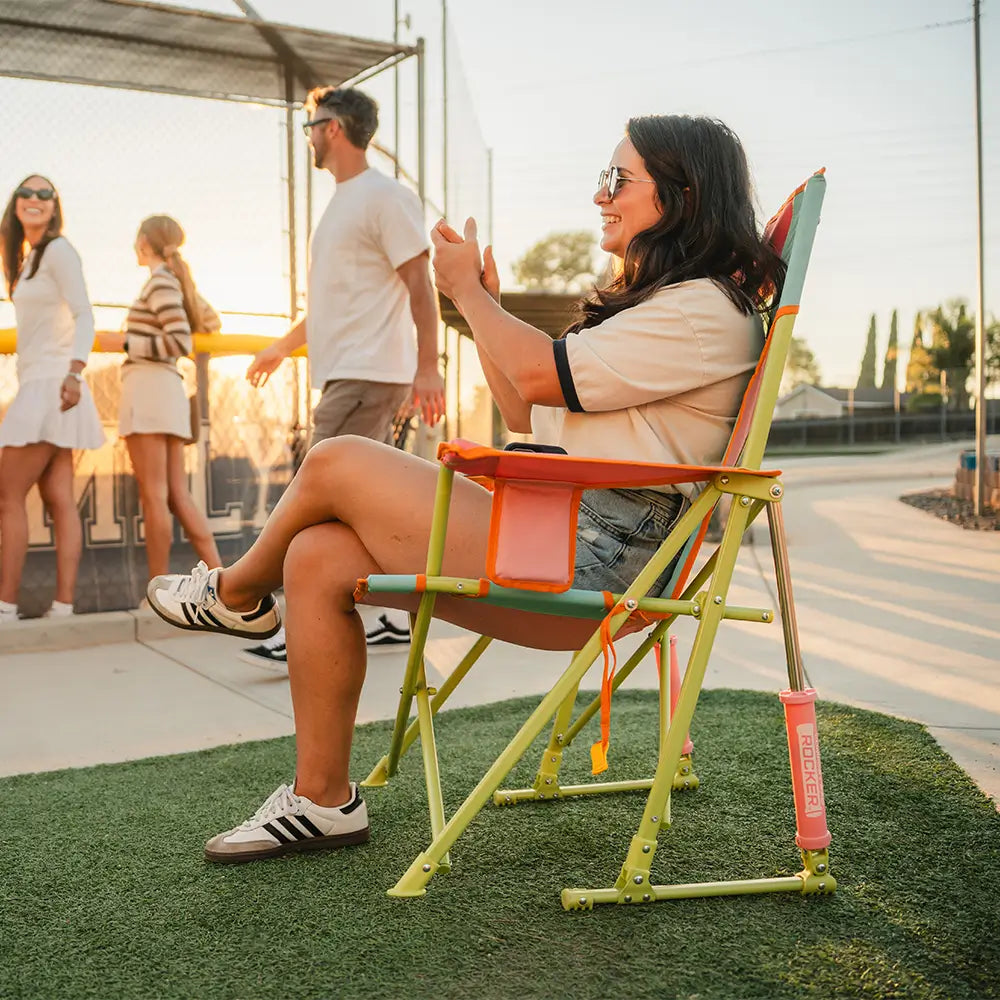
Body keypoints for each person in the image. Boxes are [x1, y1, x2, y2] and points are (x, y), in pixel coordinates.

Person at [146, 114, 786, 863]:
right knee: (318, 556)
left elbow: (542, 374)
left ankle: (235, 597)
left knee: (336, 461)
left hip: (596, 560)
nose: (598, 195)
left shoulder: (704, 309)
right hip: (572, 532)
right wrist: (479, 305)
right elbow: (524, 404)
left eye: (618, 179)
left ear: (683, 193)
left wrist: (470, 299)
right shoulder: (669, 303)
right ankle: (323, 801)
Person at [239, 84, 445, 669]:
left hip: (368, 373)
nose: (307, 135)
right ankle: (384, 615)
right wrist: (282, 346)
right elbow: (335, 304)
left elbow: (419, 287)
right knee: (359, 505)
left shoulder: (384, 197)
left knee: (311, 496)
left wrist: (426, 370)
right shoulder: (344, 203)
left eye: (311, 125)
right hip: (350, 371)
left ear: (333, 128)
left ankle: (287, 617)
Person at [96, 216, 222, 589]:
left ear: (145, 243)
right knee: (176, 495)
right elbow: (210, 322)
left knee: (155, 497)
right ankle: (223, 585)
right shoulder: (175, 282)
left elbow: (180, 341)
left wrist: (123, 343)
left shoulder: (160, 282)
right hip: (166, 392)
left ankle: (159, 590)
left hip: (149, 391)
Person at [0, 175, 104, 623]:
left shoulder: (60, 251)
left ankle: (4, 606)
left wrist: (74, 372)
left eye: (46, 194)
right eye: (28, 192)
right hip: (41, 382)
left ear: (55, 206)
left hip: (54, 383)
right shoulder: (27, 260)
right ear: (16, 204)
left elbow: (85, 314)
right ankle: (63, 606)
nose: (36, 199)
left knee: (8, 495)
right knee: (59, 496)